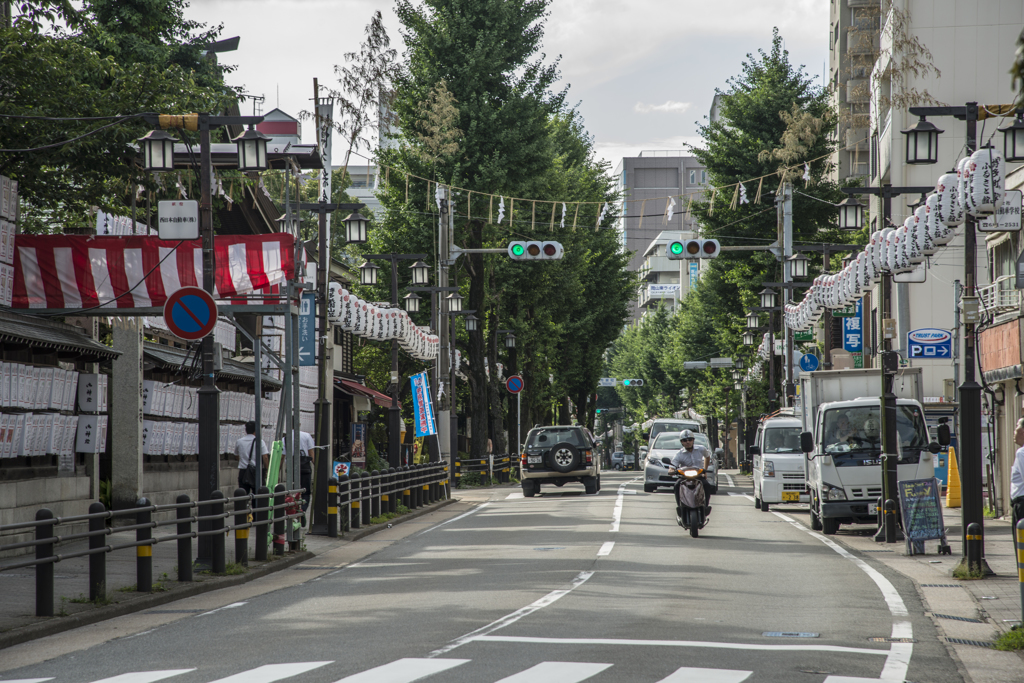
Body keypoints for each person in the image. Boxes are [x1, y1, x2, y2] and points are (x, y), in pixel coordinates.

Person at [670, 429, 712, 515]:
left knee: (707, 485)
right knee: (676, 485)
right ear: (681, 442)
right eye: (684, 440)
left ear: (693, 440)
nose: (687, 442)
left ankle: (706, 506)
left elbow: (707, 456)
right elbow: (672, 467)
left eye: (690, 439)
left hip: (698, 475)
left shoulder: (701, 449)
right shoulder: (679, 454)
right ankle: (680, 508)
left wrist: (705, 470)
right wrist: (672, 471)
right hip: (684, 477)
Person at [235, 421, 270, 495]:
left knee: (243, 494)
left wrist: (243, 461)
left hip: (243, 471)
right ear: (256, 430)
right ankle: (256, 506)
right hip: (256, 471)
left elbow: (236, 455)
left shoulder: (239, 441)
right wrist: (266, 470)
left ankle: (243, 506)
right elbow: (265, 457)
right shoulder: (260, 442)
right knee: (258, 493)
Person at [1011, 419, 1024, 531]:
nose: (1014, 431)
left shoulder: (1022, 452)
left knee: (1021, 544)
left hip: (1022, 504)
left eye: (1016, 427)